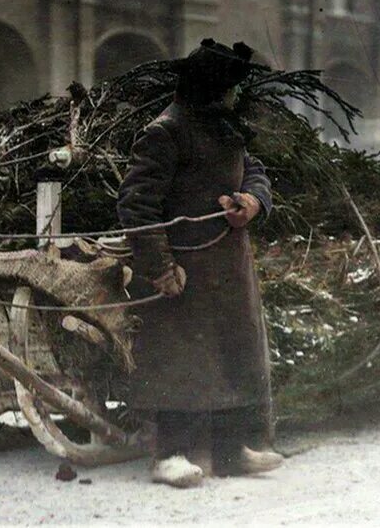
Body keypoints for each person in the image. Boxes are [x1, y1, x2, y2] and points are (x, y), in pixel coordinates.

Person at [117, 38, 283, 488]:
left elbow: (255, 172)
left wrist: (252, 201)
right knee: (182, 359)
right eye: (226, 88)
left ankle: (231, 452)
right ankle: (168, 454)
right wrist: (160, 267)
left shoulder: (224, 128)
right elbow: (137, 203)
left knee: (233, 353)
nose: (232, 96)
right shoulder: (165, 131)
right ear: (208, 87)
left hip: (229, 266)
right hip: (184, 272)